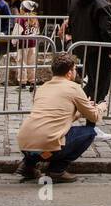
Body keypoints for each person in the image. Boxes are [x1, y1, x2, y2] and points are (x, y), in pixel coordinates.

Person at [15, 52, 106, 183]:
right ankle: (57, 170)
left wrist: (79, 112)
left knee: (44, 135)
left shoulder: (42, 88)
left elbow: (58, 117)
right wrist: (101, 106)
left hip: (26, 146)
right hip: (48, 149)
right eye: (74, 69)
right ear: (69, 72)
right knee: (89, 132)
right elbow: (94, 116)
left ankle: (28, 165)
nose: (75, 72)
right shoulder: (74, 88)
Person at [66, 0, 111, 103]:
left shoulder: (75, 0)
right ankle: (87, 116)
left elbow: (71, 24)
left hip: (83, 48)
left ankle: (76, 109)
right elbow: (107, 30)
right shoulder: (102, 2)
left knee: (93, 83)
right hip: (100, 50)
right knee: (100, 86)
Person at [12, 2, 41, 90]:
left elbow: (17, 31)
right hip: (33, 44)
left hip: (23, 44)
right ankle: (32, 82)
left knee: (22, 63)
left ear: (22, 8)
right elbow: (37, 31)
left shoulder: (21, 19)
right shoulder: (34, 18)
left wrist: (14, 41)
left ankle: (23, 82)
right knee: (31, 63)